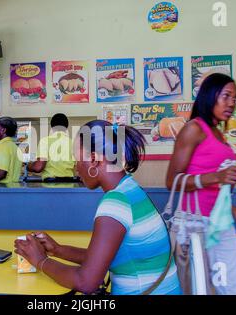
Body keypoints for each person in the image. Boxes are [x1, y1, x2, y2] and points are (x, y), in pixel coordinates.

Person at [15, 120, 182, 295]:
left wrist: (41, 261)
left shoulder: (115, 203)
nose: (76, 168)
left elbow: (86, 282)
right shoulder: (130, 188)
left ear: (94, 159)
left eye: (77, 159)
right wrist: (58, 250)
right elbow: (103, 257)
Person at [165, 73, 236, 295]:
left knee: (233, 288)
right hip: (196, 225)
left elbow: (215, 193)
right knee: (203, 289)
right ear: (210, 95)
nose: (232, 103)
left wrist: (234, 210)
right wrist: (217, 177)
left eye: (235, 98)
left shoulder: (220, 135)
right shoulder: (194, 128)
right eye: (226, 96)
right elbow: (171, 181)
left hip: (221, 222)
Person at [27, 113, 75, 182]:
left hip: (51, 185)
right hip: (70, 183)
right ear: (66, 127)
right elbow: (78, 168)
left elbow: (38, 167)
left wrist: (28, 166)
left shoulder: (45, 141)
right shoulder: (73, 143)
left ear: (52, 127)